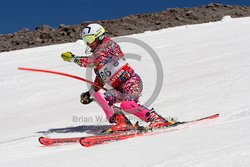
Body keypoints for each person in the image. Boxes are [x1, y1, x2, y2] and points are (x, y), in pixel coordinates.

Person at [61, 23, 174, 133]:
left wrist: (74, 58)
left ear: (99, 36)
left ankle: (157, 119)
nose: (88, 44)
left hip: (131, 82)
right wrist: (90, 94)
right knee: (103, 99)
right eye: (86, 41)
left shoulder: (108, 45)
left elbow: (93, 61)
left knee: (127, 105)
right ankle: (123, 123)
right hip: (119, 90)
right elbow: (100, 80)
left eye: (90, 40)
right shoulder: (98, 61)